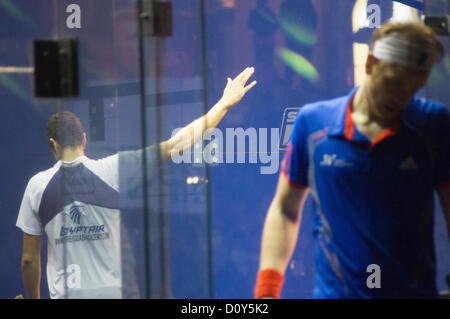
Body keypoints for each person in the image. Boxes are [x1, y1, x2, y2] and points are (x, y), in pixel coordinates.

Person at [17, 67, 257, 299]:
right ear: (84, 140)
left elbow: (29, 259)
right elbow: (177, 144)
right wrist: (223, 103)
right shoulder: (112, 169)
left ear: (53, 144)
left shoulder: (37, 186)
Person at [255, 22, 450, 299]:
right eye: (393, 83)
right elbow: (285, 209)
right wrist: (266, 293)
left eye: (411, 89)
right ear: (370, 63)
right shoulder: (313, 124)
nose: (399, 98)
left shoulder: (434, 125)